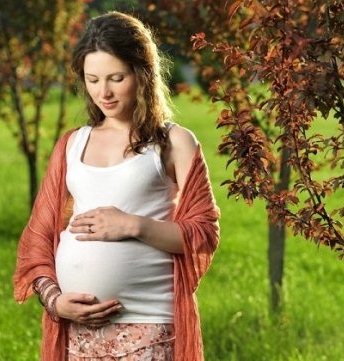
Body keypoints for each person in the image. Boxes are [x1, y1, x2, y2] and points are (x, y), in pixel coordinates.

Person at [13, 11, 220, 361]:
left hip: (148, 327)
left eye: (116, 78)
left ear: (142, 74)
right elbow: (38, 239)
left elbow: (204, 232)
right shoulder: (71, 144)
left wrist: (132, 225)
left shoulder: (174, 143)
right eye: (92, 79)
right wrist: (55, 301)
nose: (103, 92)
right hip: (77, 332)